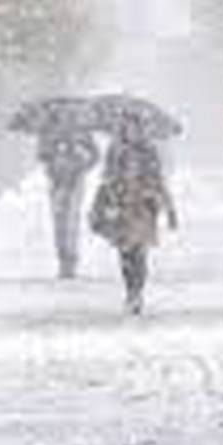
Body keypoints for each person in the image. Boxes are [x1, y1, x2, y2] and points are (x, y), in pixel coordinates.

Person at [90, 117, 178, 314]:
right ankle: (130, 290)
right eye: (128, 127)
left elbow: (158, 179)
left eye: (135, 127)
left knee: (140, 251)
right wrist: (109, 197)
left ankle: (137, 292)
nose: (132, 131)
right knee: (125, 253)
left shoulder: (149, 150)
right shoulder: (115, 150)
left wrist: (169, 208)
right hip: (122, 206)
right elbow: (107, 178)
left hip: (144, 207)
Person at [38, 128, 100, 278]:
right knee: (59, 220)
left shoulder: (82, 132)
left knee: (71, 219)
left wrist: (83, 161)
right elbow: (41, 154)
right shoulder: (50, 131)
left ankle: (70, 260)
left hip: (75, 179)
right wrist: (53, 153)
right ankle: (62, 257)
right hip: (57, 180)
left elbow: (95, 155)